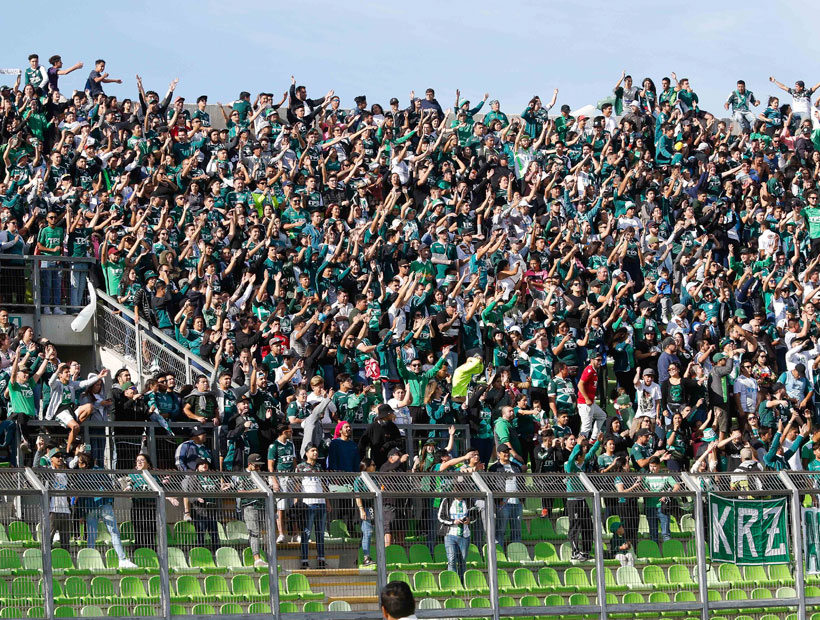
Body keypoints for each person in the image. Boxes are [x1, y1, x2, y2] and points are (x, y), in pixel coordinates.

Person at [296, 442, 328, 569]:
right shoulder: (300, 467)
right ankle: (304, 560)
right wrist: (297, 502)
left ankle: (321, 559)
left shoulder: (320, 467)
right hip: (307, 504)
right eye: (313, 450)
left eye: (316, 450)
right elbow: (296, 485)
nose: (315, 453)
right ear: (307, 453)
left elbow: (324, 485)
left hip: (321, 504)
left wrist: (328, 501)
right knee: (307, 533)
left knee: (320, 533)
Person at [488, 444, 523, 546]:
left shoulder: (516, 467)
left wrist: (522, 499)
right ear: (498, 454)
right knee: (501, 530)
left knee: (517, 530)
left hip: (517, 502)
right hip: (503, 503)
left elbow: (522, 482)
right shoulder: (494, 468)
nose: (507, 453)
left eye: (507, 451)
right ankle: (499, 553)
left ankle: (517, 552)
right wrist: (498, 500)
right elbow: (491, 485)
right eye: (504, 452)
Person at [238, 453, 268, 568]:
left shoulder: (261, 475)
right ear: (250, 464)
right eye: (256, 466)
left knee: (262, 532)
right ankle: (257, 558)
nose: (258, 469)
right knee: (254, 532)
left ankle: (265, 556)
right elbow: (240, 492)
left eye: (260, 466)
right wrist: (256, 491)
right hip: (249, 506)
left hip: (262, 506)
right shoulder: (243, 475)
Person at [577, 348, 606, 439]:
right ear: (591, 360)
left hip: (590, 402)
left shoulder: (594, 370)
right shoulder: (589, 370)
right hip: (585, 403)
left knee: (602, 415)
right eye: (597, 360)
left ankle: (593, 439)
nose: (600, 362)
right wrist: (586, 398)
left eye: (601, 360)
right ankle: (581, 445)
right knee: (586, 427)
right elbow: (580, 384)